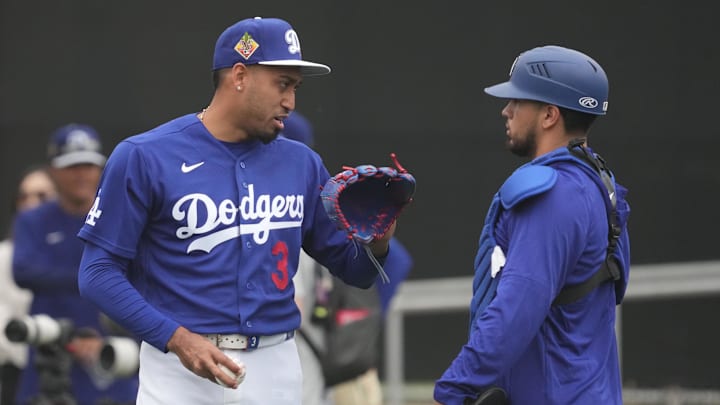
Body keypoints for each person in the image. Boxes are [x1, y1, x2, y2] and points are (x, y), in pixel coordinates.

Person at [75, 16, 397, 405]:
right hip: (180, 368)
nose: (291, 102)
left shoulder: (303, 163)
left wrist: (379, 236)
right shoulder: (144, 156)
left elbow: (357, 271)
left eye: (295, 87)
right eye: (282, 84)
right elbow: (96, 273)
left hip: (277, 364)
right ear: (240, 75)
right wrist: (173, 337)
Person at [433, 45, 631, 405]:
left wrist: (452, 388)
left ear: (549, 115)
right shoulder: (601, 186)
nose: (505, 110)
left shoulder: (549, 197)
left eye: (518, 100)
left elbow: (515, 311)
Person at [283, 111, 414, 405]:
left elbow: (294, 307)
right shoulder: (318, 212)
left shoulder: (294, 213)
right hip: (329, 367)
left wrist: (355, 322)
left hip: (315, 369)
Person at [12, 124, 139, 404]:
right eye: (72, 166)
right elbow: (23, 272)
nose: (82, 174)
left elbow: (140, 281)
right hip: (50, 351)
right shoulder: (33, 219)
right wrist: (99, 277)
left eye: (88, 165)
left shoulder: (121, 217)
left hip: (110, 351)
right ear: (54, 171)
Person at [0, 165, 56, 405]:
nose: (31, 203)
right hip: (18, 370)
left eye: (42, 195)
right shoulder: (4, 255)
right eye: (24, 196)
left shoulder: (77, 252)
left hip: (74, 365)